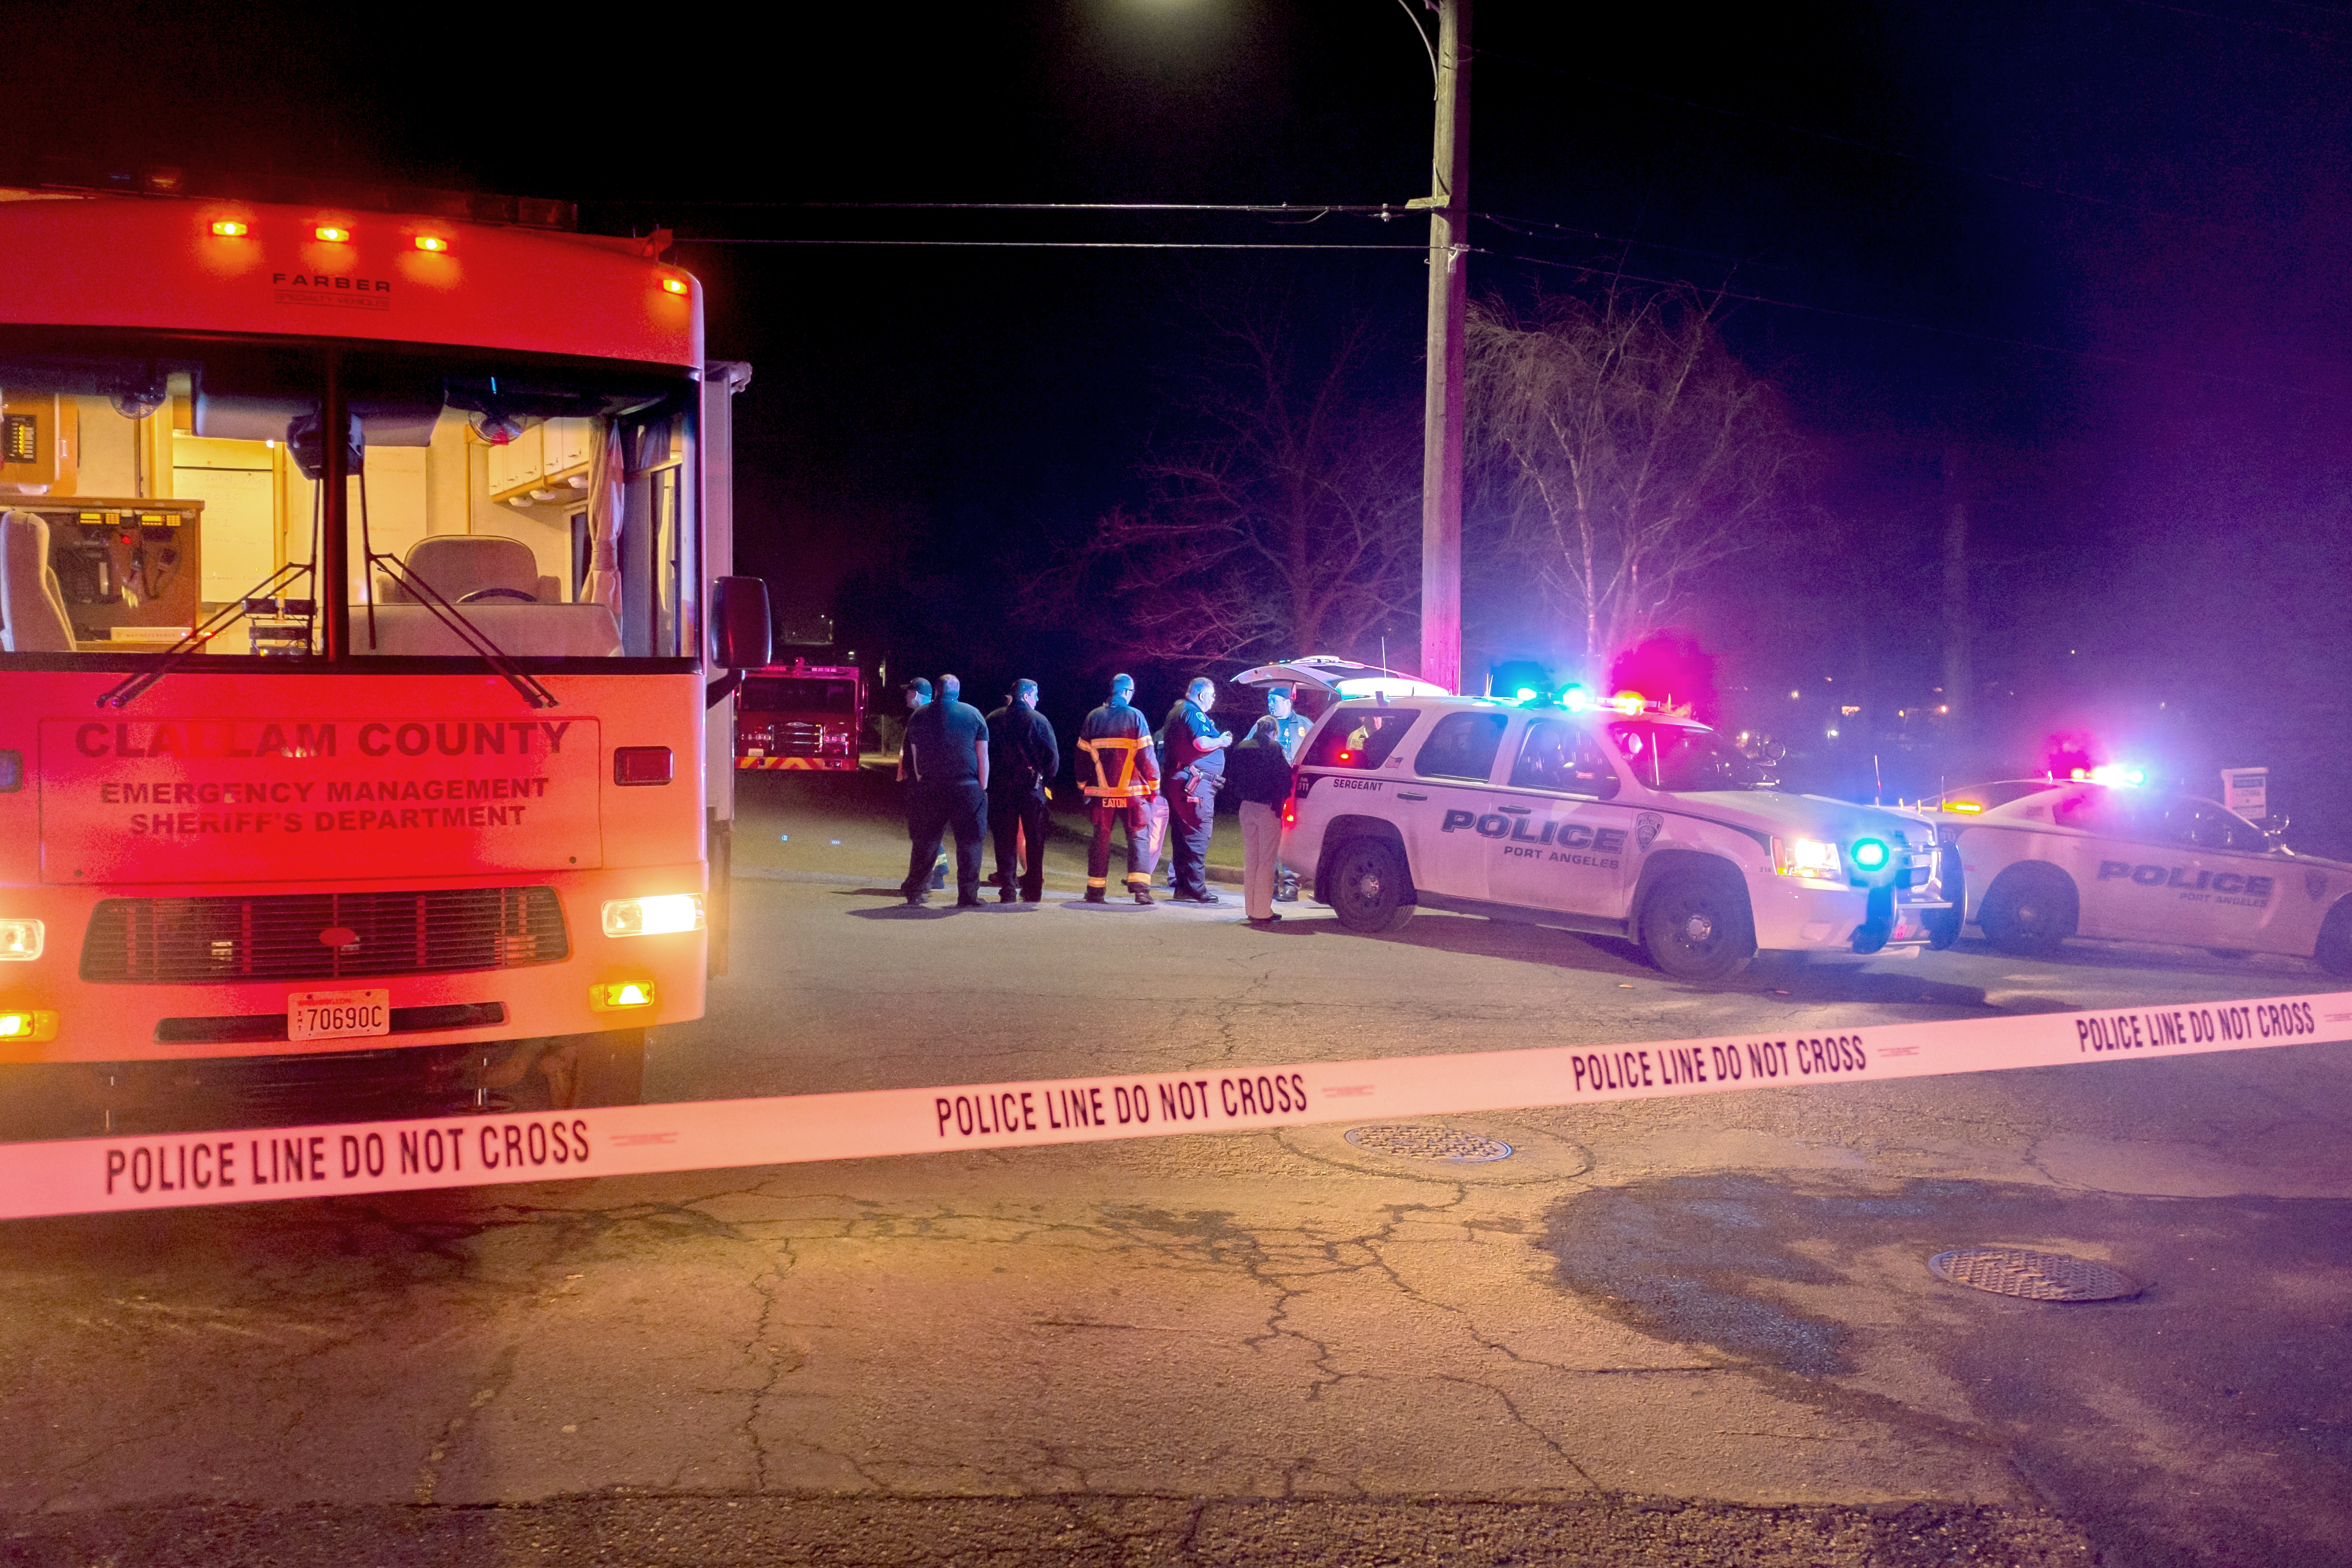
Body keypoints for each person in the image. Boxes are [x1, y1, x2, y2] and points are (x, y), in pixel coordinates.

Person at [901, 673, 991, 907]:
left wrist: (923, 780)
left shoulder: (919, 716)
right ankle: (968, 896)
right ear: (958, 692)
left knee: (926, 841)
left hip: (931, 786)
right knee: (970, 843)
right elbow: (982, 755)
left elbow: (916, 754)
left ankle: (916, 892)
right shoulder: (974, 715)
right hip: (967, 788)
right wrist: (982, 787)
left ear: (937, 691)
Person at [1076, 674, 1162, 904]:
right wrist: (1154, 787)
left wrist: (1083, 785)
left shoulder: (1093, 717)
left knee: (1100, 839)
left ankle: (1095, 891)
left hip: (1101, 795)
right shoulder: (1136, 717)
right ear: (1127, 692)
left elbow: (1082, 756)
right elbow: (1147, 757)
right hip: (1132, 794)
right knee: (1138, 838)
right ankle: (1141, 890)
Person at [985, 678, 1059, 904]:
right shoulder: (1039, 720)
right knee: (1035, 840)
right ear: (1026, 696)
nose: (1037, 700)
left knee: (1004, 839)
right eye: (1035, 695)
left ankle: (1007, 889)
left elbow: (983, 751)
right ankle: (1033, 890)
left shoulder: (993, 719)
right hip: (1031, 789)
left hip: (1000, 789)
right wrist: (1044, 777)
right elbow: (1053, 759)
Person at [1160, 676, 1232, 905]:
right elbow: (1201, 743)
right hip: (1194, 785)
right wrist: (1221, 741)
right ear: (1201, 695)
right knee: (1197, 836)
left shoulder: (1179, 710)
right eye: (1212, 696)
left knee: (1183, 837)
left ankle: (1184, 888)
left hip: (1185, 781)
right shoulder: (1192, 712)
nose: (1213, 701)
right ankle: (1196, 889)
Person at [1226, 714, 1294, 923]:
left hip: (1246, 807)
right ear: (1274, 732)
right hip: (1267, 809)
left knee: (1252, 859)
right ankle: (1263, 910)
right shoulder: (1274, 749)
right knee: (1266, 861)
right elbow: (1285, 778)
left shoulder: (1242, 747)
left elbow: (1233, 777)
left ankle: (1251, 907)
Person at [894, 677, 946, 898]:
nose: (906, 696)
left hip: (923, 783)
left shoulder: (922, 717)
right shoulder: (928, 715)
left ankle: (922, 880)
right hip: (926, 781)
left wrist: (916, 778)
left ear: (916, 694)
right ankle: (937, 873)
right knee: (929, 831)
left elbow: (918, 753)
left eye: (908, 692)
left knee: (923, 832)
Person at [1265, 685, 1311, 904]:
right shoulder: (1263, 725)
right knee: (1270, 836)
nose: (1270, 704)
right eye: (1269, 699)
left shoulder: (1304, 725)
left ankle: (1292, 886)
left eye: (1274, 699)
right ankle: (1270, 885)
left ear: (1288, 702)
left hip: (1293, 792)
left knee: (1290, 837)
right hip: (1268, 791)